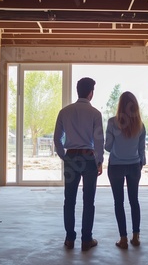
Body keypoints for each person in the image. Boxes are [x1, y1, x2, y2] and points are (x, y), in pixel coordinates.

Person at [53, 77, 104, 252]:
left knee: (69, 200)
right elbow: (99, 141)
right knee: (89, 201)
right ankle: (86, 240)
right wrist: (99, 161)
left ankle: (69, 239)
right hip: (88, 158)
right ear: (91, 93)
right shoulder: (96, 114)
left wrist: (64, 156)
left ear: (78, 91)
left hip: (71, 159)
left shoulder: (64, 111)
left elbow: (57, 138)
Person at [104, 91, 146, 249]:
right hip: (134, 166)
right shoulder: (140, 125)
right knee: (134, 201)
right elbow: (142, 150)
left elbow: (107, 147)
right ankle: (136, 237)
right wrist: (140, 164)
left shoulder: (112, 122)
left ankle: (123, 239)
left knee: (119, 202)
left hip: (116, 166)